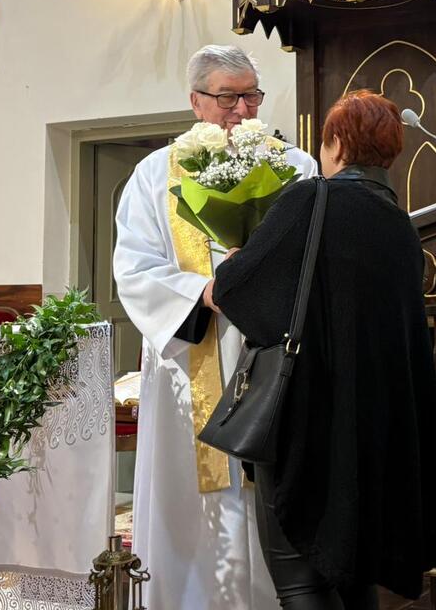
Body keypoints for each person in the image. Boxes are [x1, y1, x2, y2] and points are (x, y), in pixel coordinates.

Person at [205, 90, 436, 609]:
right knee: (354, 573)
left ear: (337, 144)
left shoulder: (310, 199)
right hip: (372, 428)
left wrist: (233, 260)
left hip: (308, 418)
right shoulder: (400, 226)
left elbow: (238, 292)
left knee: (301, 581)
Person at [113, 45, 317, 609]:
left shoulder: (295, 168)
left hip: (276, 356)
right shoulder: (155, 175)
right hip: (194, 355)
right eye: (228, 97)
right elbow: (134, 269)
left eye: (252, 96)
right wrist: (204, 292)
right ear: (196, 101)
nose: (242, 110)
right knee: (195, 505)